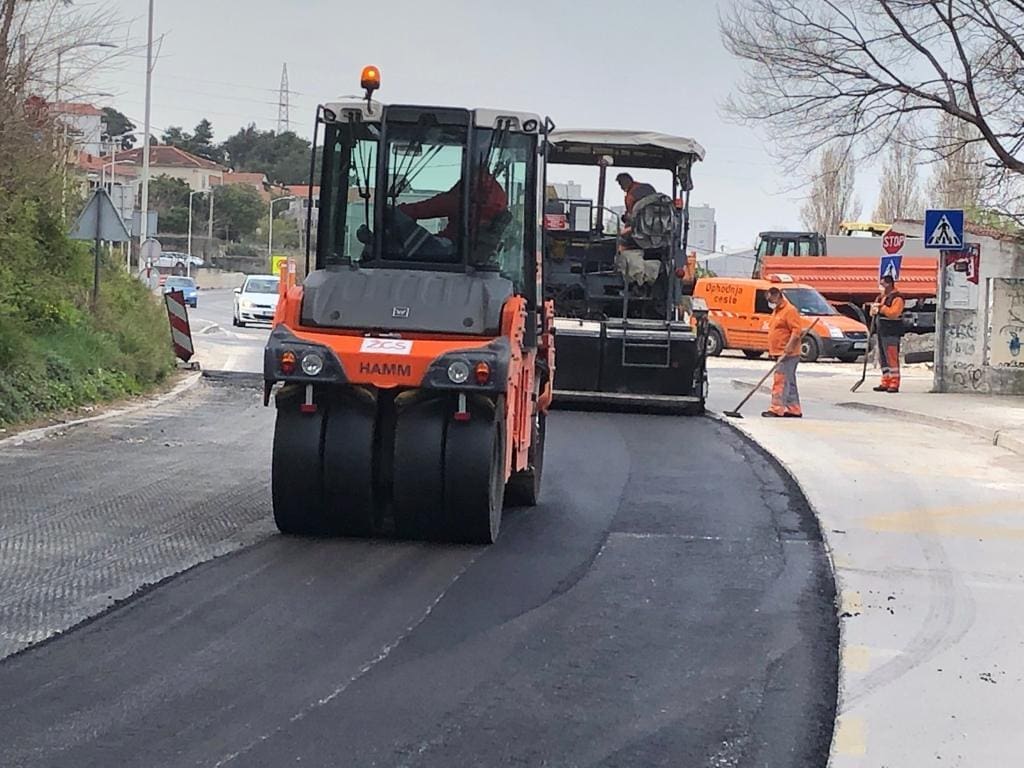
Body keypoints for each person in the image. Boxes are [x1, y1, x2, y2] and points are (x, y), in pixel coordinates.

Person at [394, 169, 507, 257]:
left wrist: (398, 211)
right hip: (466, 249)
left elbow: (433, 206)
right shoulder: (496, 192)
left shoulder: (474, 189)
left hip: (454, 249)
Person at [763, 286, 804, 418]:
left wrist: (789, 347)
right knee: (789, 381)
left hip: (788, 354)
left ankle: (776, 409)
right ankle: (794, 409)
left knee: (780, 381)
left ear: (777, 296)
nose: (770, 302)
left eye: (771, 300)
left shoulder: (789, 310)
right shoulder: (777, 311)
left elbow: (796, 331)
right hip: (778, 352)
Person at [871, 275, 905, 393]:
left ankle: (894, 382)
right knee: (883, 358)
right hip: (882, 331)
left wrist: (881, 308)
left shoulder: (897, 298)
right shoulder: (881, 297)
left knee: (891, 357)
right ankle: (886, 380)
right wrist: (874, 310)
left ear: (889, 284)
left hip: (892, 332)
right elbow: (874, 312)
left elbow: (894, 313)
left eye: (883, 284)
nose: (881, 287)